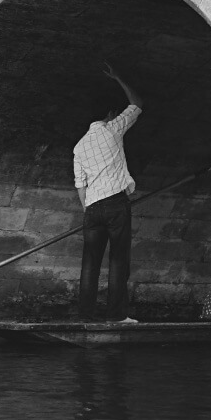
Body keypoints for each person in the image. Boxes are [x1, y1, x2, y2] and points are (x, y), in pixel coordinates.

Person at [73, 63, 143, 323]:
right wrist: (119, 78)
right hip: (115, 204)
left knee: (90, 265)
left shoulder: (79, 147)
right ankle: (117, 316)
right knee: (117, 261)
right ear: (111, 113)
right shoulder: (112, 130)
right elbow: (137, 103)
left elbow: (80, 185)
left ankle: (85, 317)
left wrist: (89, 209)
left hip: (91, 208)